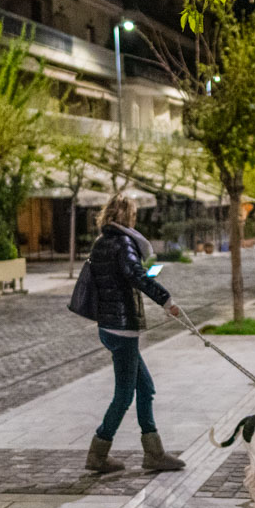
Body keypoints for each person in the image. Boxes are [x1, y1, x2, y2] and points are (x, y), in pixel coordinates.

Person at [84, 195, 185, 474]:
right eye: (134, 215)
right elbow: (134, 276)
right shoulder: (124, 242)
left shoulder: (102, 242)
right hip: (122, 325)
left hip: (108, 324)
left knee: (146, 388)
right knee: (125, 394)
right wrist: (166, 300)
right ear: (128, 216)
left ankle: (153, 452)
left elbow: (124, 275)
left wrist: (146, 274)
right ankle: (99, 451)